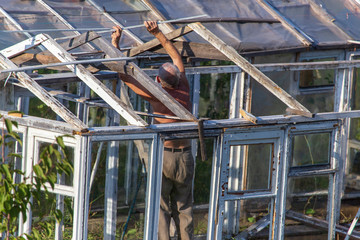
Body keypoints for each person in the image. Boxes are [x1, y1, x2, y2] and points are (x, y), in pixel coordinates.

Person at [111, 21, 194, 240]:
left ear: (159, 81)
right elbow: (176, 58)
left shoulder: (156, 95)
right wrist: (158, 33)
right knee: (184, 208)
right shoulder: (184, 84)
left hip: (165, 156)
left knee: (162, 207)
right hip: (186, 155)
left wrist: (115, 46)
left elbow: (125, 76)